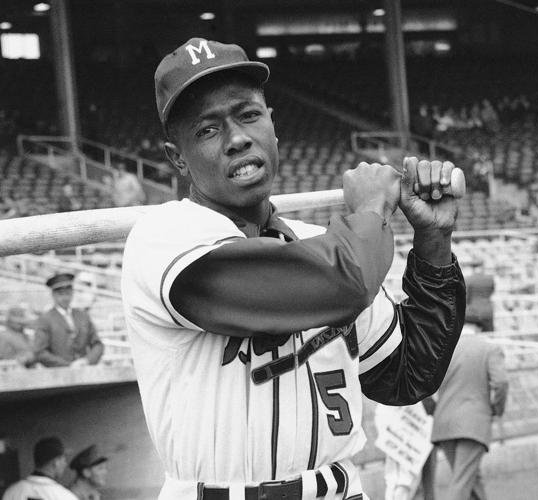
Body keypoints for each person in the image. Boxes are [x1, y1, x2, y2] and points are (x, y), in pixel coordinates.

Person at [121, 38, 466, 499]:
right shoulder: (164, 238)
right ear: (177, 157)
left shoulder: (317, 244)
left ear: (272, 126)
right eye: (207, 130)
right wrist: (369, 209)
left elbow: (410, 373)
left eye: (248, 114)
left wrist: (434, 242)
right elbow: (345, 280)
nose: (237, 138)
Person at [430, 325, 508, 500]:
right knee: (463, 482)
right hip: (473, 422)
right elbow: (501, 382)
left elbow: (424, 386)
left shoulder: (441, 349)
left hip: (443, 423)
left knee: (471, 480)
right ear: (479, 328)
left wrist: (434, 410)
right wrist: (497, 409)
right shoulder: (489, 348)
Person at [33, 273, 104, 367]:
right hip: (59, 375)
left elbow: (97, 344)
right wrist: (68, 365)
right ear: (53, 295)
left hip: (84, 371)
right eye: (61, 294)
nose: (65, 298)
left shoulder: (82, 316)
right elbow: (40, 352)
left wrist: (87, 360)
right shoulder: (45, 320)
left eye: (68, 293)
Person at [2, 437, 78, 500]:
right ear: (56, 462)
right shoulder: (64, 496)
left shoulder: (12, 492)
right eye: (64, 459)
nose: (65, 464)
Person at [466, 260, 495, 332]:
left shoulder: (469, 279)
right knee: (489, 335)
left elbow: (466, 297)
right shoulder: (490, 279)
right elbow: (491, 291)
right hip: (487, 311)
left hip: (472, 312)